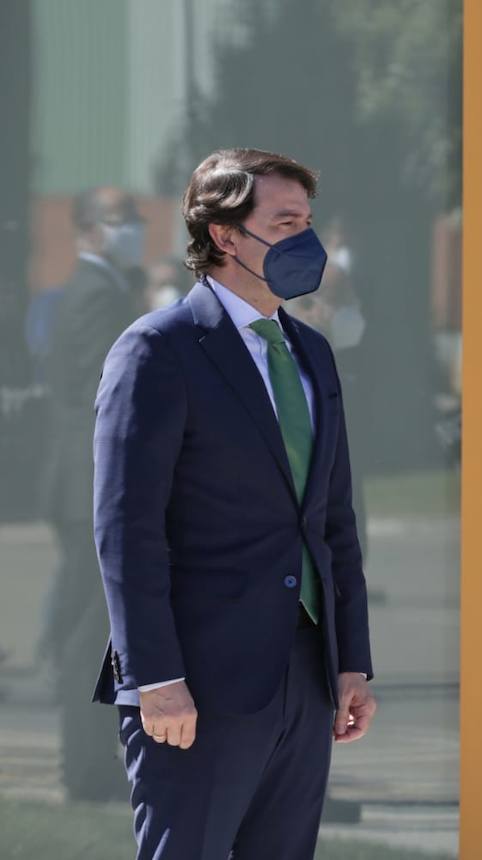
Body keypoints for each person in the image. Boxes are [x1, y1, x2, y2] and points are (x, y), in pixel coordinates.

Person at [92, 148, 377, 858]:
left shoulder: (312, 353)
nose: (307, 241)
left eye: (309, 222)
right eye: (285, 222)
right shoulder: (157, 350)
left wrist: (350, 662)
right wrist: (155, 679)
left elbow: (333, 519)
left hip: (304, 679)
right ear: (224, 235)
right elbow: (128, 529)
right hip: (195, 687)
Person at [38, 187, 144, 802]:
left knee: (94, 624)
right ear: (88, 231)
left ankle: (89, 761)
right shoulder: (98, 294)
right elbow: (104, 390)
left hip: (80, 484)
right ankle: (86, 767)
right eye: (119, 220)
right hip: (90, 486)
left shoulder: (95, 289)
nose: (132, 228)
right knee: (93, 629)